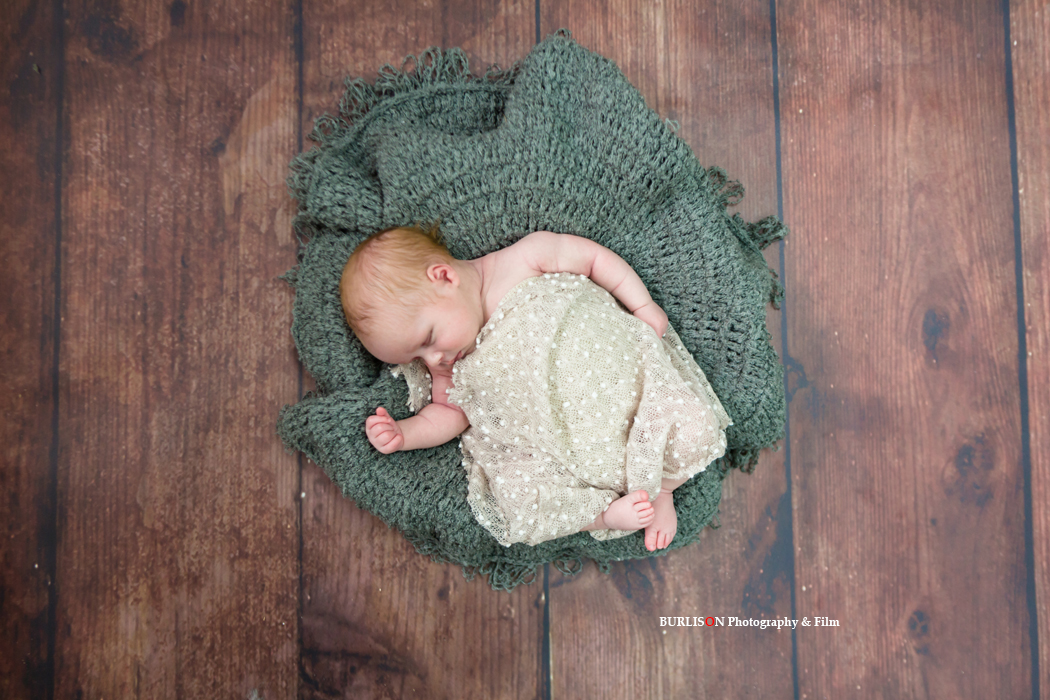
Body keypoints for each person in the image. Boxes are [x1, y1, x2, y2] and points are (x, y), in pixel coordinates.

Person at [340, 223, 732, 551]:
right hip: (557, 449)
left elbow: (595, 261)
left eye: (428, 337)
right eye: (417, 359)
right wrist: (404, 434)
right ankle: (602, 514)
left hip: (623, 390)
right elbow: (448, 414)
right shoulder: (449, 367)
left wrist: (642, 304)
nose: (433, 360)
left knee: (694, 425)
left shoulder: (524, 258)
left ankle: (662, 490)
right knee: (518, 499)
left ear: (443, 277)